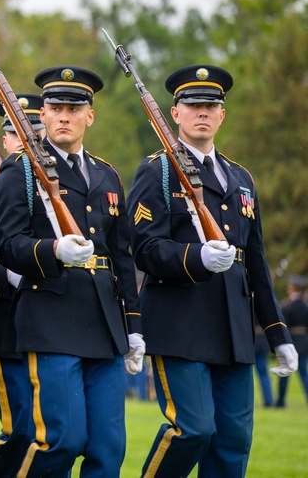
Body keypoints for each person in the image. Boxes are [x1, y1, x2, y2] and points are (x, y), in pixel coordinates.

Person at [127, 65, 296, 477]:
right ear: (175, 114)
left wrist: (278, 334)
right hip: (179, 323)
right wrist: (195, 259)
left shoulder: (241, 179)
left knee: (234, 440)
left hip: (233, 329)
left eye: (211, 106)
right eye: (193, 105)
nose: (202, 112)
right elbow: (144, 249)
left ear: (222, 115)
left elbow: (255, 262)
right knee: (193, 430)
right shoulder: (157, 172)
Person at [0, 66, 142, 477]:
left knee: (108, 448)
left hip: (104, 324)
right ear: (42, 114)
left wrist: (133, 326)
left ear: (89, 116)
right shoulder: (20, 170)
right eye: (55, 107)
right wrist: (53, 250)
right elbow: (5, 244)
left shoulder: (106, 174)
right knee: (62, 439)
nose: (64, 115)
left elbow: (120, 256)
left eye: (73, 108)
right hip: (51, 320)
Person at [0, 93, 44, 478]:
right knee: (19, 430)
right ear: (4, 140)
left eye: (33, 133)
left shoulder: (57, 186)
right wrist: (15, 275)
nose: (25, 142)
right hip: (7, 325)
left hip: (51, 326)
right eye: (16, 135)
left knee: (52, 431)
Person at [276, 275, 308, 407]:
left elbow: (284, 325)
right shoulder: (305, 306)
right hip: (304, 343)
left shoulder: (287, 306)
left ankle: (281, 401)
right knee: (303, 373)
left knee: (285, 373)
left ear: (291, 289)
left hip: (291, 342)